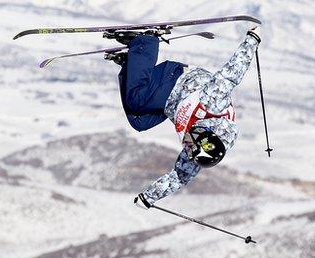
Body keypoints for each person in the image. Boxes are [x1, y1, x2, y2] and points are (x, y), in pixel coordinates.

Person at [107, 26, 261, 208]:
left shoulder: (198, 153)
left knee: (139, 121)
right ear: (203, 135)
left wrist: (149, 197)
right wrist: (253, 39)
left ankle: (133, 62)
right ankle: (146, 40)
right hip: (179, 80)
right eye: (189, 144)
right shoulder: (212, 104)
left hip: (172, 102)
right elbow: (232, 74)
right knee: (137, 100)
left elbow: (180, 176)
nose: (185, 145)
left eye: (188, 149)